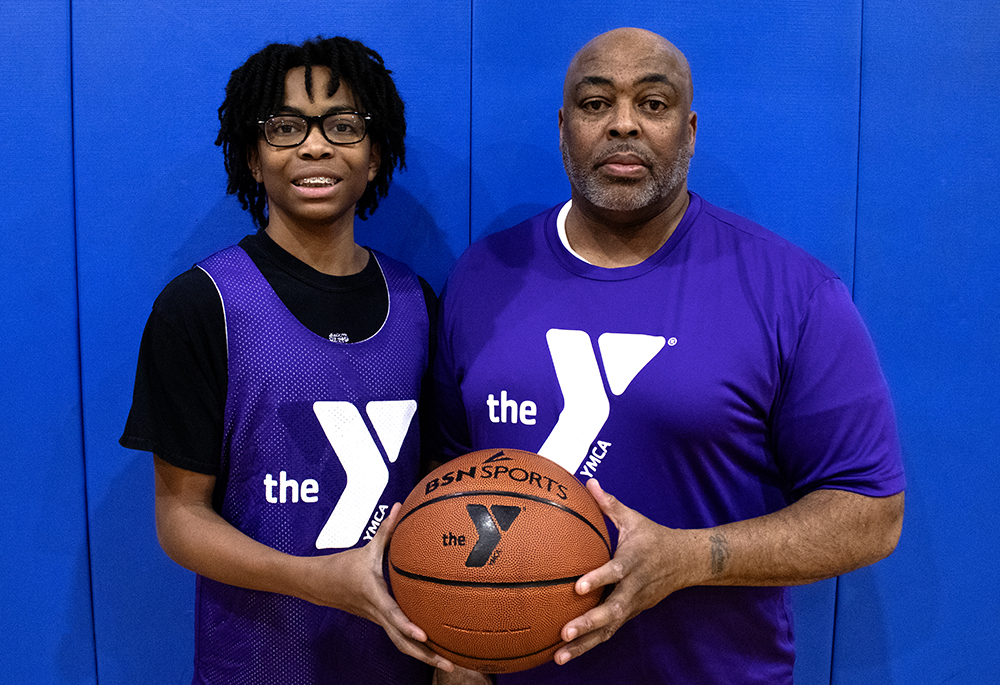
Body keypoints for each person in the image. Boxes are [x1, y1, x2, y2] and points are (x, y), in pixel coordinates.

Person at [432, 27, 905, 685]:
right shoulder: (483, 275)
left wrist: (690, 557)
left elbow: (871, 514)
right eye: (596, 104)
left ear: (689, 129)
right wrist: (459, 645)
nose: (623, 124)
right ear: (564, 128)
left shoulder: (793, 292)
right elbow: (452, 475)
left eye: (652, 104)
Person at [120, 36, 454, 683]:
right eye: (285, 127)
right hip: (258, 660)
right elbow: (180, 518)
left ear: (375, 155)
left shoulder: (418, 302)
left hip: (400, 659)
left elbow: (438, 485)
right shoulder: (202, 303)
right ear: (253, 156)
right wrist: (315, 578)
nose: (315, 145)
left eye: (342, 125)